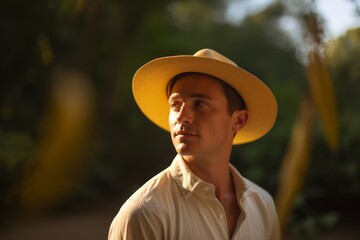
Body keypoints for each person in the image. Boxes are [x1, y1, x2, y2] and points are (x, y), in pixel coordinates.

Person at [108, 48, 281, 240]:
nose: (182, 117)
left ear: (238, 121)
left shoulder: (263, 205)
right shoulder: (144, 214)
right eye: (175, 104)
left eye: (199, 104)